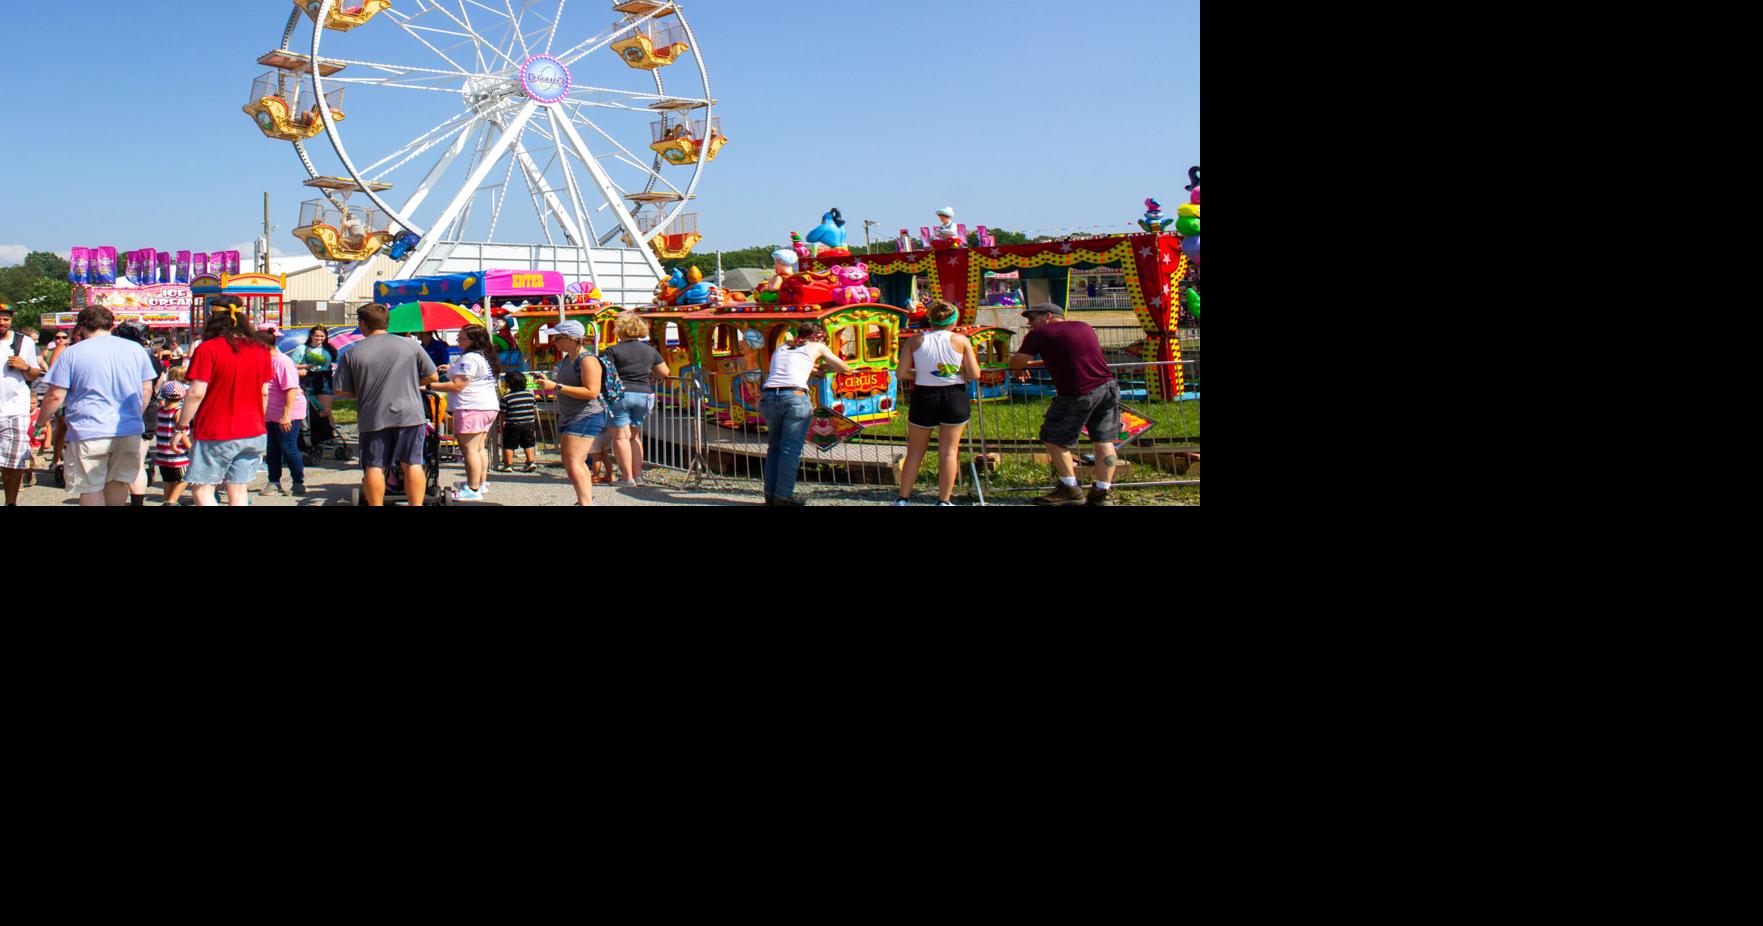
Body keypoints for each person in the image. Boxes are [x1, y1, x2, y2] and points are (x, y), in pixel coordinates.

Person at [36, 307, 158, 507]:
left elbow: (55, 395)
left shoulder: (72, 353)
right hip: (127, 428)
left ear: (82, 326)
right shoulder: (136, 350)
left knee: (90, 486)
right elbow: (147, 390)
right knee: (118, 481)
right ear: (112, 324)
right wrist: (136, 414)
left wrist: (40, 423)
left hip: (88, 429)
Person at [1009, 303, 1122, 507]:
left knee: (1053, 438)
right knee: (1104, 440)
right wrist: (1031, 365)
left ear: (1048, 316)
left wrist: (1022, 366)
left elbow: (1015, 363)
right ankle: (1103, 491)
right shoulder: (1084, 327)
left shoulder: (1040, 334)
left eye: (1032, 318)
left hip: (1077, 392)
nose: (1029, 324)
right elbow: (1069, 357)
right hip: (1107, 387)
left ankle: (1069, 488)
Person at [334, 303, 439, 507]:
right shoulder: (410, 345)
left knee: (374, 465)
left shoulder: (352, 353)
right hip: (410, 413)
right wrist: (410, 382)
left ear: (362, 324)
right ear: (387, 322)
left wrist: (365, 388)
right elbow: (432, 375)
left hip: (374, 415)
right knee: (412, 463)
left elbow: (341, 391)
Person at [179, 298, 273, 507]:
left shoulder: (207, 349)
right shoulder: (261, 349)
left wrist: (182, 424)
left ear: (212, 319)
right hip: (253, 430)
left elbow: (195, 393)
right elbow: (264, 393)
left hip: (216, 430)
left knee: (203, 488)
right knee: (238, 489)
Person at [894, 302, 981, 507]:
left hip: (924, 394)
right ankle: (944, 500)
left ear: (930, 319)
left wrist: (921, 373)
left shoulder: (915, 340)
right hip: (954, 395)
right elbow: (975, 373)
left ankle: (903, 497)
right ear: (954, 321)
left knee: (915, 450)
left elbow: (901, 373)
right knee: (949, 451)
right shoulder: (961, 340)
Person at [759, 322, 852, 506]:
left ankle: (770, 494)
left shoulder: (783, 346)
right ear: (818, 337)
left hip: (769, 395)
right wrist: (824, 367)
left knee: (774, 448)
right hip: (794, 397)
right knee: (790, 449)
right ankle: (783, 496)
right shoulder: (817, 346)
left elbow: (789, 368)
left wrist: (812, 368)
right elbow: (844, 367)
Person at [532, 321, 604, 507]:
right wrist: (548, 383)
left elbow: (592, 391)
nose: (554, 341)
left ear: (572, 339)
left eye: (558, 337)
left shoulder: (587, 360)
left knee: (574, 462)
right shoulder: (567, 360)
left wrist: (556, 386)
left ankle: (586, 502)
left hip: (585, 415)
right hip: (570, 415)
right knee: (571, 461)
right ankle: (586, 500)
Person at [424, 324, 499, 501]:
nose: (458, 341)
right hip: (486, 406)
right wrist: (450, 369)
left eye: (461, 338)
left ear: (474, 340)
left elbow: (458, 386)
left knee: (469, 450)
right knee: (479, 448)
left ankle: (472, 489)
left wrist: (427, 386)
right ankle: (479, 484)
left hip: (471, 406)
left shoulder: (470, 358)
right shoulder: (483, 356)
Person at [603, 312, 669, 485]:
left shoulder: (612, 351)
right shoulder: (650, 350)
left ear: (620, 331)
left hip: (620, 394)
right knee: (634, 436)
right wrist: (652, 377)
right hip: (644, 394)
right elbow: (664, 372)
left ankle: (627, 476)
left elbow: (605, 372)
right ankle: (637, 474)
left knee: (620, 437)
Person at [114, 322, 165, 506]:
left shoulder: (117, 355)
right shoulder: (150, 358)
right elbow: (157, 384)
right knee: (138, 460)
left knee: (116, 463)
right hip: (147, 409)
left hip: (122, 409)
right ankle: (137, 502)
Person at [1, 303, 46, 505]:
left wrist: (24, 365)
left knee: (14, 460)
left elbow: (35, 372)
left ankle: (11, 501)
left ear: (11, 320)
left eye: (6, 318)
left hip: (15, 409)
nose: (2, 322)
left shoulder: (24, 342)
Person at [258, 329, 308, 497]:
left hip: (288, 411)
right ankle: (274, 481)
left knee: (288, 447)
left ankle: (298, 482)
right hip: (270, 412)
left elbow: (291, 389)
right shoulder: (263, 361)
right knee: (272, 448)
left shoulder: (282, 362)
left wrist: (286, 415)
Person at [154, 374, 191, 506]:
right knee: (187, 476)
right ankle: (171, 501)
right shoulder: (179, 412)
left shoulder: (161, 411)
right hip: (178, 455)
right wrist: (190, 447)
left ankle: (167, 499)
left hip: (163, 453)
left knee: (168, 479)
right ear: (182, 396)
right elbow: (182, 434)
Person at [292, 326, 338, 425]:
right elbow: (292, 366)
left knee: (326, 411)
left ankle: (330, 435)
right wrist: (307, 366)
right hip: (308, 381)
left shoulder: (329, 349)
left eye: (322, 336)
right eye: (316, 336)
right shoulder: (302, 348)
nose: (319, 338)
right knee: (312, 411)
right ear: (311, 336)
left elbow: (336, 363)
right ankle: (315, 436)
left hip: (325, 381)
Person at [496, 370, 538, 474]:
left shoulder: (506, 398)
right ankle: (530, 462)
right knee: (528, 444)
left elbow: (503, 413)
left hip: (512, 425)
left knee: (509, 445)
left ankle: (508, 465)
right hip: (528, 424)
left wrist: (501, 424)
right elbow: (534, 409)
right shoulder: (530, 395)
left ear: (509, 384)